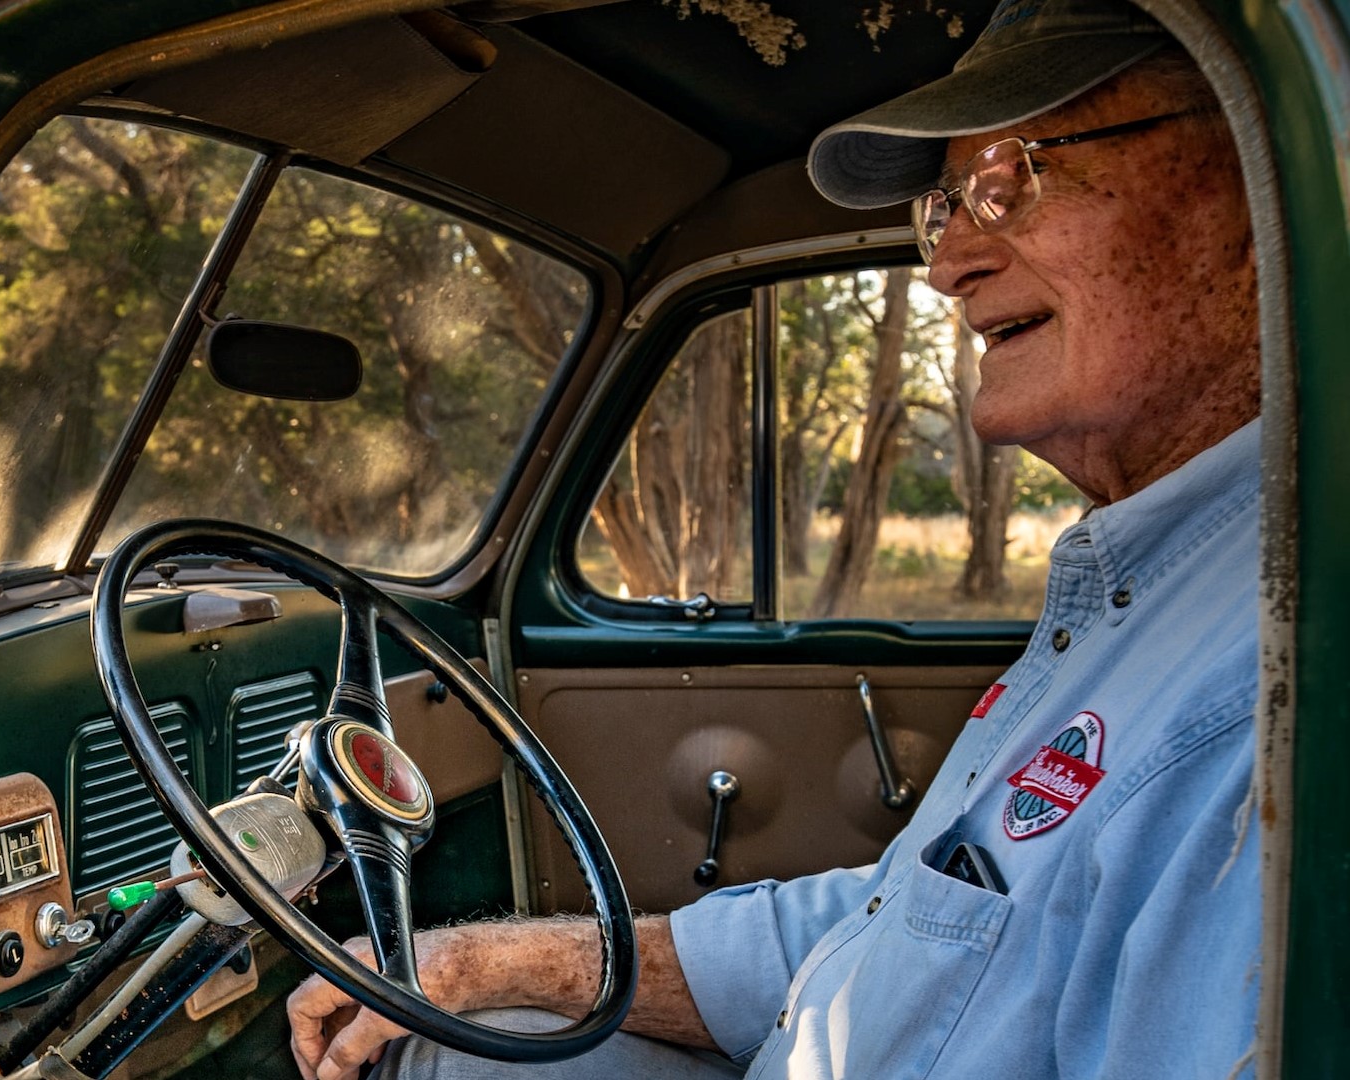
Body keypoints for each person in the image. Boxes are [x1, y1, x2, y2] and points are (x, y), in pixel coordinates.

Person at [285, 0, 1264, 1077]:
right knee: (455, 1041)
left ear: (1263, 190)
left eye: (1011, 179)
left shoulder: (1265, 691)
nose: (947, 265)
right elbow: (902, 929)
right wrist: (490, 965)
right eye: (946, 208)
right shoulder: (1142, 595)